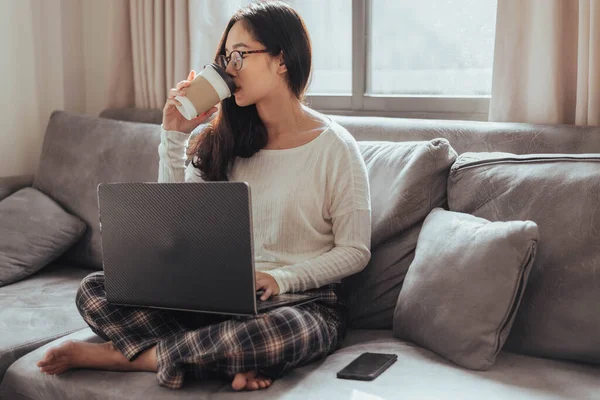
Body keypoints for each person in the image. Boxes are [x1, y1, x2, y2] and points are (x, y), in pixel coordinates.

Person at [36, 0, 371, 392]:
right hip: (216, 302)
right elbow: (172, 227)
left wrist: (281, 279)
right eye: (226, 57)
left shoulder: (335, 149)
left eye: (241, 56)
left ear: (282, 60)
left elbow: (355, 251)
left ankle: (130, 358)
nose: (229, 69)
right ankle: (224, 356)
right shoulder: (216, 141)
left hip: (300, 303)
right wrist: (174, 135)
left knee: (277, 333)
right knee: (94, 289)